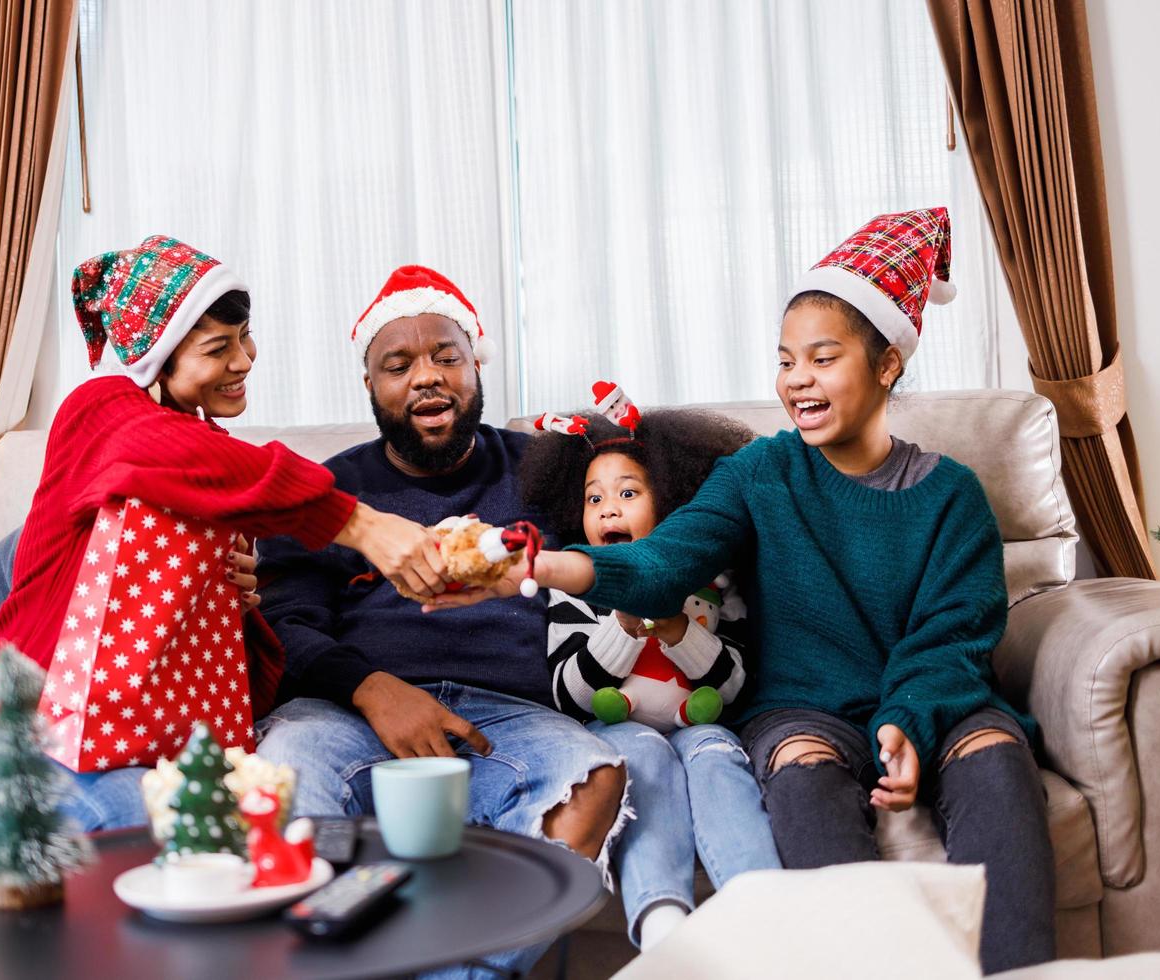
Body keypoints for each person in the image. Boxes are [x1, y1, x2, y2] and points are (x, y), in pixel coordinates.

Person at [430, 209, 1056, 974]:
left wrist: (906, 722)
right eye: (786, 360)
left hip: (939, 696)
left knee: (995, 749)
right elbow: (665, 561)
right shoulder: (761, 473)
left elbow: (954, 635)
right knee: (800, 769)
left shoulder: (951, 495)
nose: (797, 380)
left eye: (822, 359)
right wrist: (535, 566)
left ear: (887, 362)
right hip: (804, 709)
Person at [0, 236, 444, 835]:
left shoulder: (217, 475)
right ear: (156, 357)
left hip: (142, 746)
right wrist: (359, 522)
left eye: (244, 337)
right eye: (216, 348)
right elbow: (171, 451)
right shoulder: (100, 411)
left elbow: (218, 667)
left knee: (241, 840)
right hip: (22, 739)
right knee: (177, 845)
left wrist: (233, 603)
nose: (244, 359)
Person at [254, 265, 628, 977]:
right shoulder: (332, 492)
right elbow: (283, 620)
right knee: (284, 767)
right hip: (349, 716)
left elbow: (629, 527)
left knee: (592, 777)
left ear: (476, 365)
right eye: (398, 365)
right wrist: (371, 688)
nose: (426, 377)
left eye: (446, 357)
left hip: (509, 721)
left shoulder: (545, 469)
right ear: (371, 384)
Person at [519, 408, 781, 950]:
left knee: (715, 749)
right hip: (618, 727)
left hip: (699, 722)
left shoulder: (710, 586)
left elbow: (734, 687)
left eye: (628, 494)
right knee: (643, 753)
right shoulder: (575, 585)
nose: (608, 508)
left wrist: (682, 628)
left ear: (671, 503)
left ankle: (759, 902)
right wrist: (623, 625)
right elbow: (569, 695)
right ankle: (664, 926)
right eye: (595, 499)